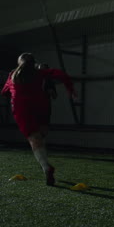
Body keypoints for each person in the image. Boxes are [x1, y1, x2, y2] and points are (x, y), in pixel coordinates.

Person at [1, 53, 76, 186]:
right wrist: (70, 89)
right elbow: (61, 74)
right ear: (34, 62)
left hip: (22, 109)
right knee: (40, 135)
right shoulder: (39, 73)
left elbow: (4, 92)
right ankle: (42, 155)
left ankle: (46, 167)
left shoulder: (12, 74)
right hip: (40, 105)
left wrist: (12, 94)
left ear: (19, 62)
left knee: (34, 138)